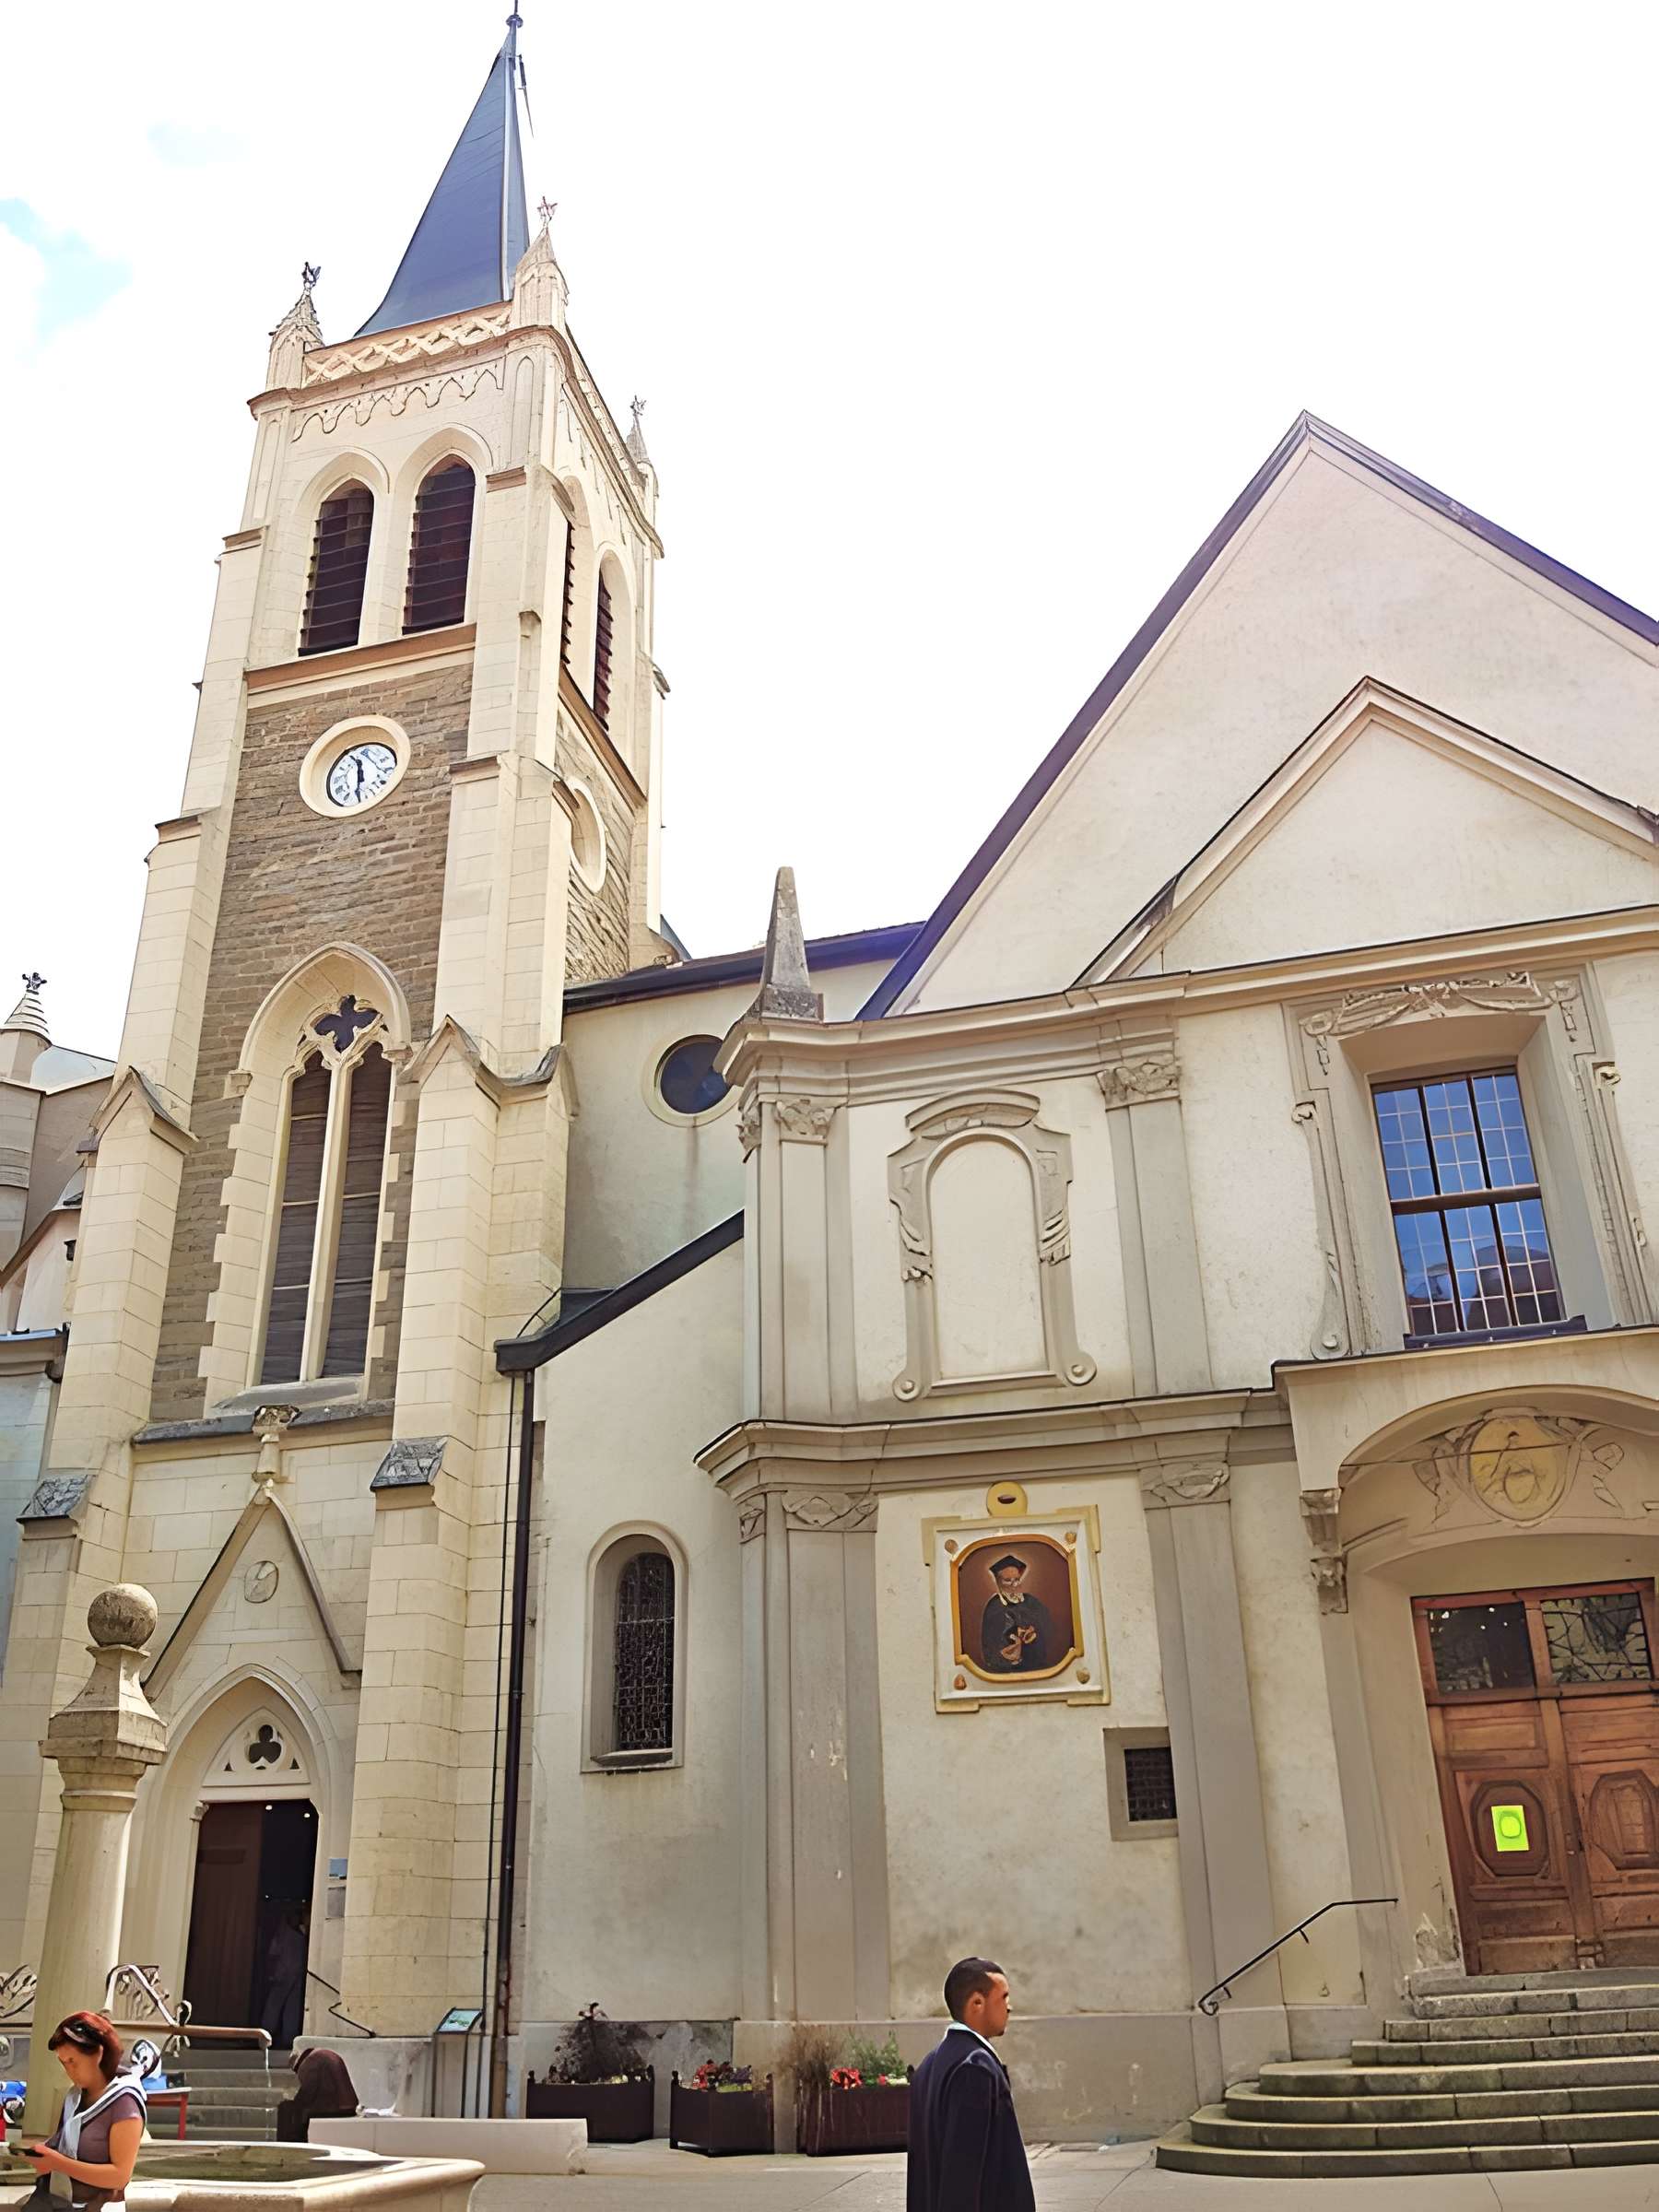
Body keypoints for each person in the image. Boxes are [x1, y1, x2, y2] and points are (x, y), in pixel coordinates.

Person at [907, 1958, 1034, 2212]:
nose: (1010, 2007)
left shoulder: (929, 2065)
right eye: (1004, 1997)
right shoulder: (975, 2068)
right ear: (977, 2003)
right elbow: (963, 2177)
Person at [20, 2013, 146, 2212]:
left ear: (98, 2053)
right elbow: (64, 2142)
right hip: (62, 2201)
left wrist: (57, 2163)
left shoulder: (124, 2103)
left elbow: (120, 2176)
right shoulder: (75, 2097)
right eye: (64, 2063)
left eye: (73, 2061)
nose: (69, 2071)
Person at [979, 1555, 1053, 1674]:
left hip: (1035, 1666)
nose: (1014, 1585)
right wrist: (1008, 1651)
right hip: (1008, 1670)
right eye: (1008, 1580)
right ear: (998, 1582)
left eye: (1017, 1579)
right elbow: (990, 1645)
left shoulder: (1031, 1601)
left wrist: (1033, 1632)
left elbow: (1048, 1627)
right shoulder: (994, 1606)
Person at [276, 2046, 359, 2144]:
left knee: (288, 2112)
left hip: (334, 2109)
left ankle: (291, 2146)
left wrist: (293, 2103)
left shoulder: (308, 2063)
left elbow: (307, 2093)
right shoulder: (319, 2054)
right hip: (348, 2105)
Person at [261, 1905, 309, 2049]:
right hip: (286, 1973)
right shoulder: (292, 1933)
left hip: (292, 1973)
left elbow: (273, 1952)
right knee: (280, 2005)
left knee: (286, 2006)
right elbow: (274, 1953)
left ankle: (281, 2036)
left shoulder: (296, 1933)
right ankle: (268, 2034)